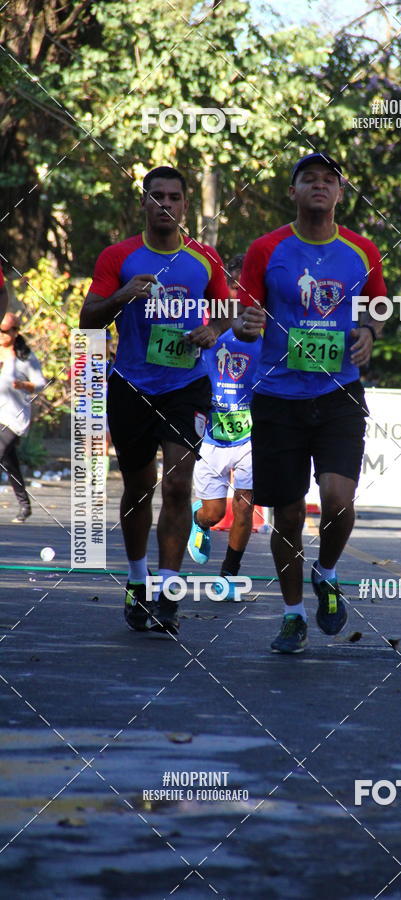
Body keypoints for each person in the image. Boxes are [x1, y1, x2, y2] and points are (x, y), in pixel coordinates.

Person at [233, 151, 385, 653]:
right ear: (293, 191)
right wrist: (245, 323)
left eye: (329, 180)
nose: (320, 186)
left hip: (338, 392)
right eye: (309, 179)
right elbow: (244, 312)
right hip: (278, 396)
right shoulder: (266, 248)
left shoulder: (363, 250)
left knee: (340, 499)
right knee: (289, 515)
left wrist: (368, 331)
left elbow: (377, 310)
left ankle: (328, 571)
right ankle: (293, 613)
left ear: (340, 193)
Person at [80, 165, 229, 635]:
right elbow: (88, 321)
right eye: (157, 196)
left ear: (186, 205)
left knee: (179, 484)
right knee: (139, 487)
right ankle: (138, 579)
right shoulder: (118, 257)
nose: (166, 204)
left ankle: (168, 589)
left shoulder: (204, 258)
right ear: (144, 203)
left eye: (175, 197)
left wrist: (213, 329)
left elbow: (227, 311)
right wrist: (123, 294)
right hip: (133, 385)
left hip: (187, 387)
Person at [187, 254, 262, 598]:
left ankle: (229, 575)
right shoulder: (206, 326)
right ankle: (199, 521)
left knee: (245, 507)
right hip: (212, 433)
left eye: (247, 290)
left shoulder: (267, 331)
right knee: (214, 513)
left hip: (250, 433)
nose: (239, 296)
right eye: (233, 287)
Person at [0, 313, 46, 522]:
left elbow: (40, 384)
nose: (0, 335)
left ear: (15, 332)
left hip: (13, 417)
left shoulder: (25, 357)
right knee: (10, 462)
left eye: (4, 331)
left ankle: (25, 506)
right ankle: (24, 506)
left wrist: (23, 385)